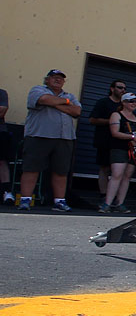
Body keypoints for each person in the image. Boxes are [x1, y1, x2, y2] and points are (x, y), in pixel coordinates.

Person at [18, 69, 82, 211]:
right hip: (39, 135)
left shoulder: (70, 95)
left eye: (61, 78)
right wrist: (66, 103)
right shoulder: (38, 90)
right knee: (31, 168)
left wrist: (55, 103)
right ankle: (25, 200)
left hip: (64, 138)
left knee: (61, 171)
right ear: (47, 80)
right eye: (54, 77)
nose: (57, 80)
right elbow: (43, 100)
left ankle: (59, 202)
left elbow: (76, 111)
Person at [99, 92, 136, 213]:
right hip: (119, 148)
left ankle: (120, 203)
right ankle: (107, 203)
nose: (134, 104)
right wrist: (132, 137)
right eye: (131, 101)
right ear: (124, 102)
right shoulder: (116, 115)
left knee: (127, 176)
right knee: (117, 174)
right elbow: (115, 133)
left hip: (134, 150)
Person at [89, 79, 127, 197]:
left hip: (120, 142)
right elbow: (92, 120)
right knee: (104, 167)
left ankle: (115, 196)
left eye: (124, 88)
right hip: (105, 141)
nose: (123, 90)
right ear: (112, 89)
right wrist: (112, 122)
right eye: (120, 87)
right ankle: (103, 194)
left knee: (119, 170)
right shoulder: (103, 102)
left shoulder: (124, 105)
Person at [0, 87, 13, 204]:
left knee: (2, 161)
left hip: (1, 132)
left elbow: (2, 111)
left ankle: (6, 192)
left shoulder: (1, 93)